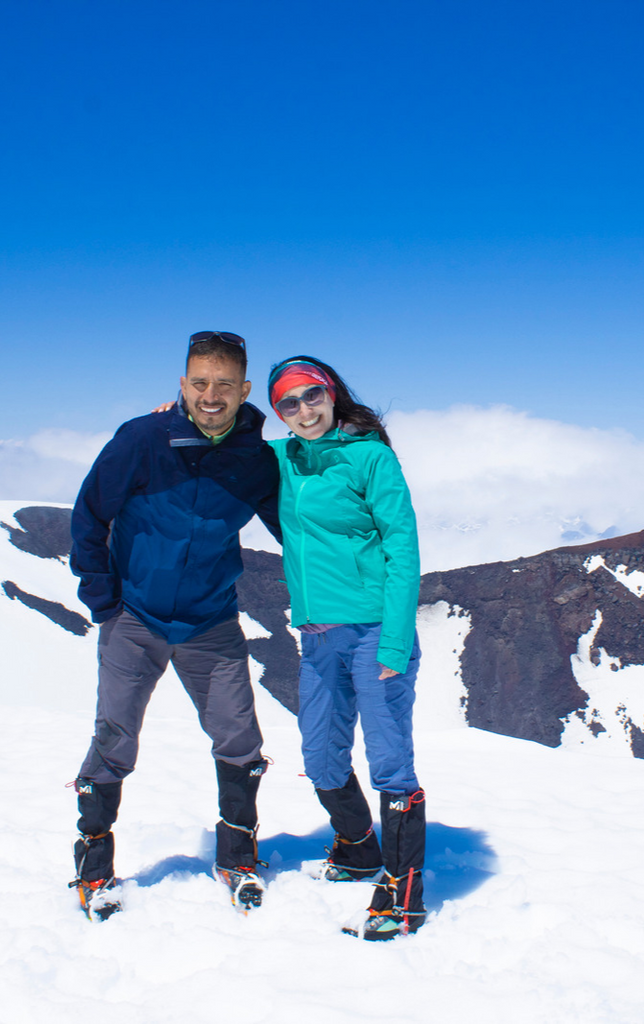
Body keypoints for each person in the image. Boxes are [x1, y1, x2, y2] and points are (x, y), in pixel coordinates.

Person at [69, 330, 281, 919]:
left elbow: (294, 528)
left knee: (240, 739)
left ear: (244, 390)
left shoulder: (256, 460)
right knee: (114, 738)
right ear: (183, 384)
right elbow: (90, 514)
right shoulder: (143, 439)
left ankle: (237, 858)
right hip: (135, 616)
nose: (211, 396)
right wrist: (103, 601)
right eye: (200, 383)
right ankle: (93, 867)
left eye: (224, 385)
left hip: (210, 620)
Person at [267, 356, 426, 940]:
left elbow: (402, 549)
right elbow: (220, 444)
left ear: (331, 393)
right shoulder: (282, 459)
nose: (304, 410)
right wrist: (172, 418)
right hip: (318, 638)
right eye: (289, 403)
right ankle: (358, 849)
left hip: (374, 631)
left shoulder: (371, 457)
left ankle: (403, 893)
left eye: (312, 396)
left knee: (389, 760)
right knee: (320, 757)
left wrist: (395, 642)